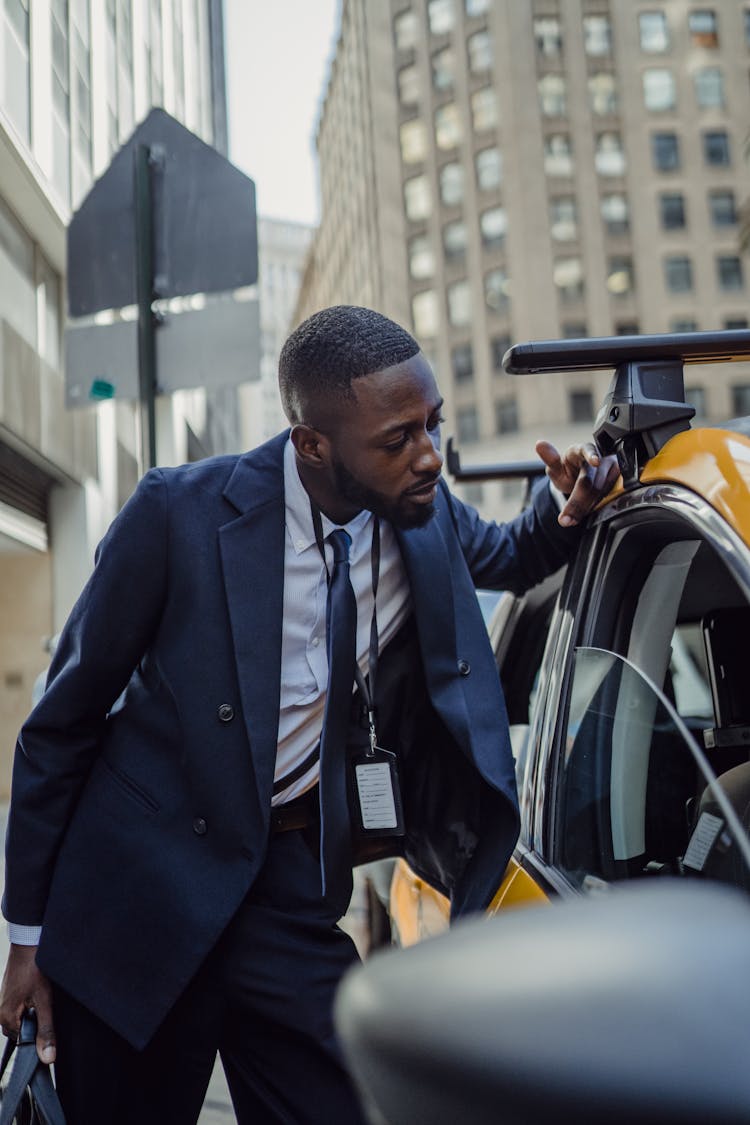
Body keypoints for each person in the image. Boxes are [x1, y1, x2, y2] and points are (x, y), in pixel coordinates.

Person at [0, 305, 618, 1123]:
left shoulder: (419, 510)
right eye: (398, 439)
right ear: (313, 445)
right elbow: (62, 721)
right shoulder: (177, 515)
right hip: (140, 896)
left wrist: (565, 509)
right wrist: (26, 935)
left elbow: (511, 554)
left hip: (287, 888)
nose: (429, 456)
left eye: (432, 424)